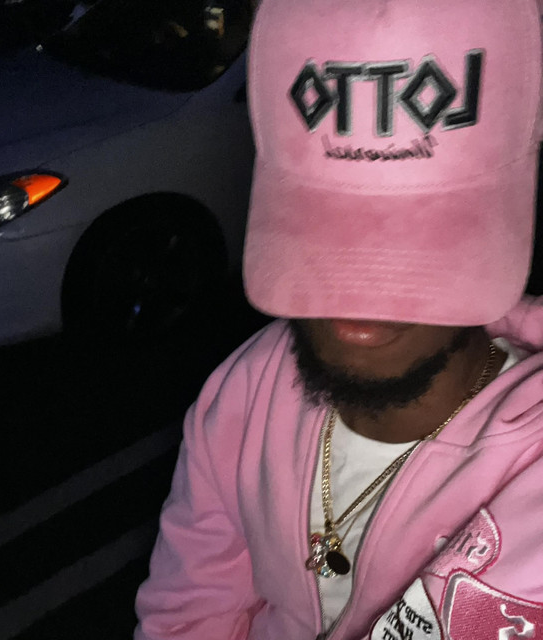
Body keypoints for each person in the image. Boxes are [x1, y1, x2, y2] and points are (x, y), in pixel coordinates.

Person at [134, 0, 543, 638]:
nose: (359, 301)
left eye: (427, 237)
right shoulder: (243, 392)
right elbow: (184, 614)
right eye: (323, 223)